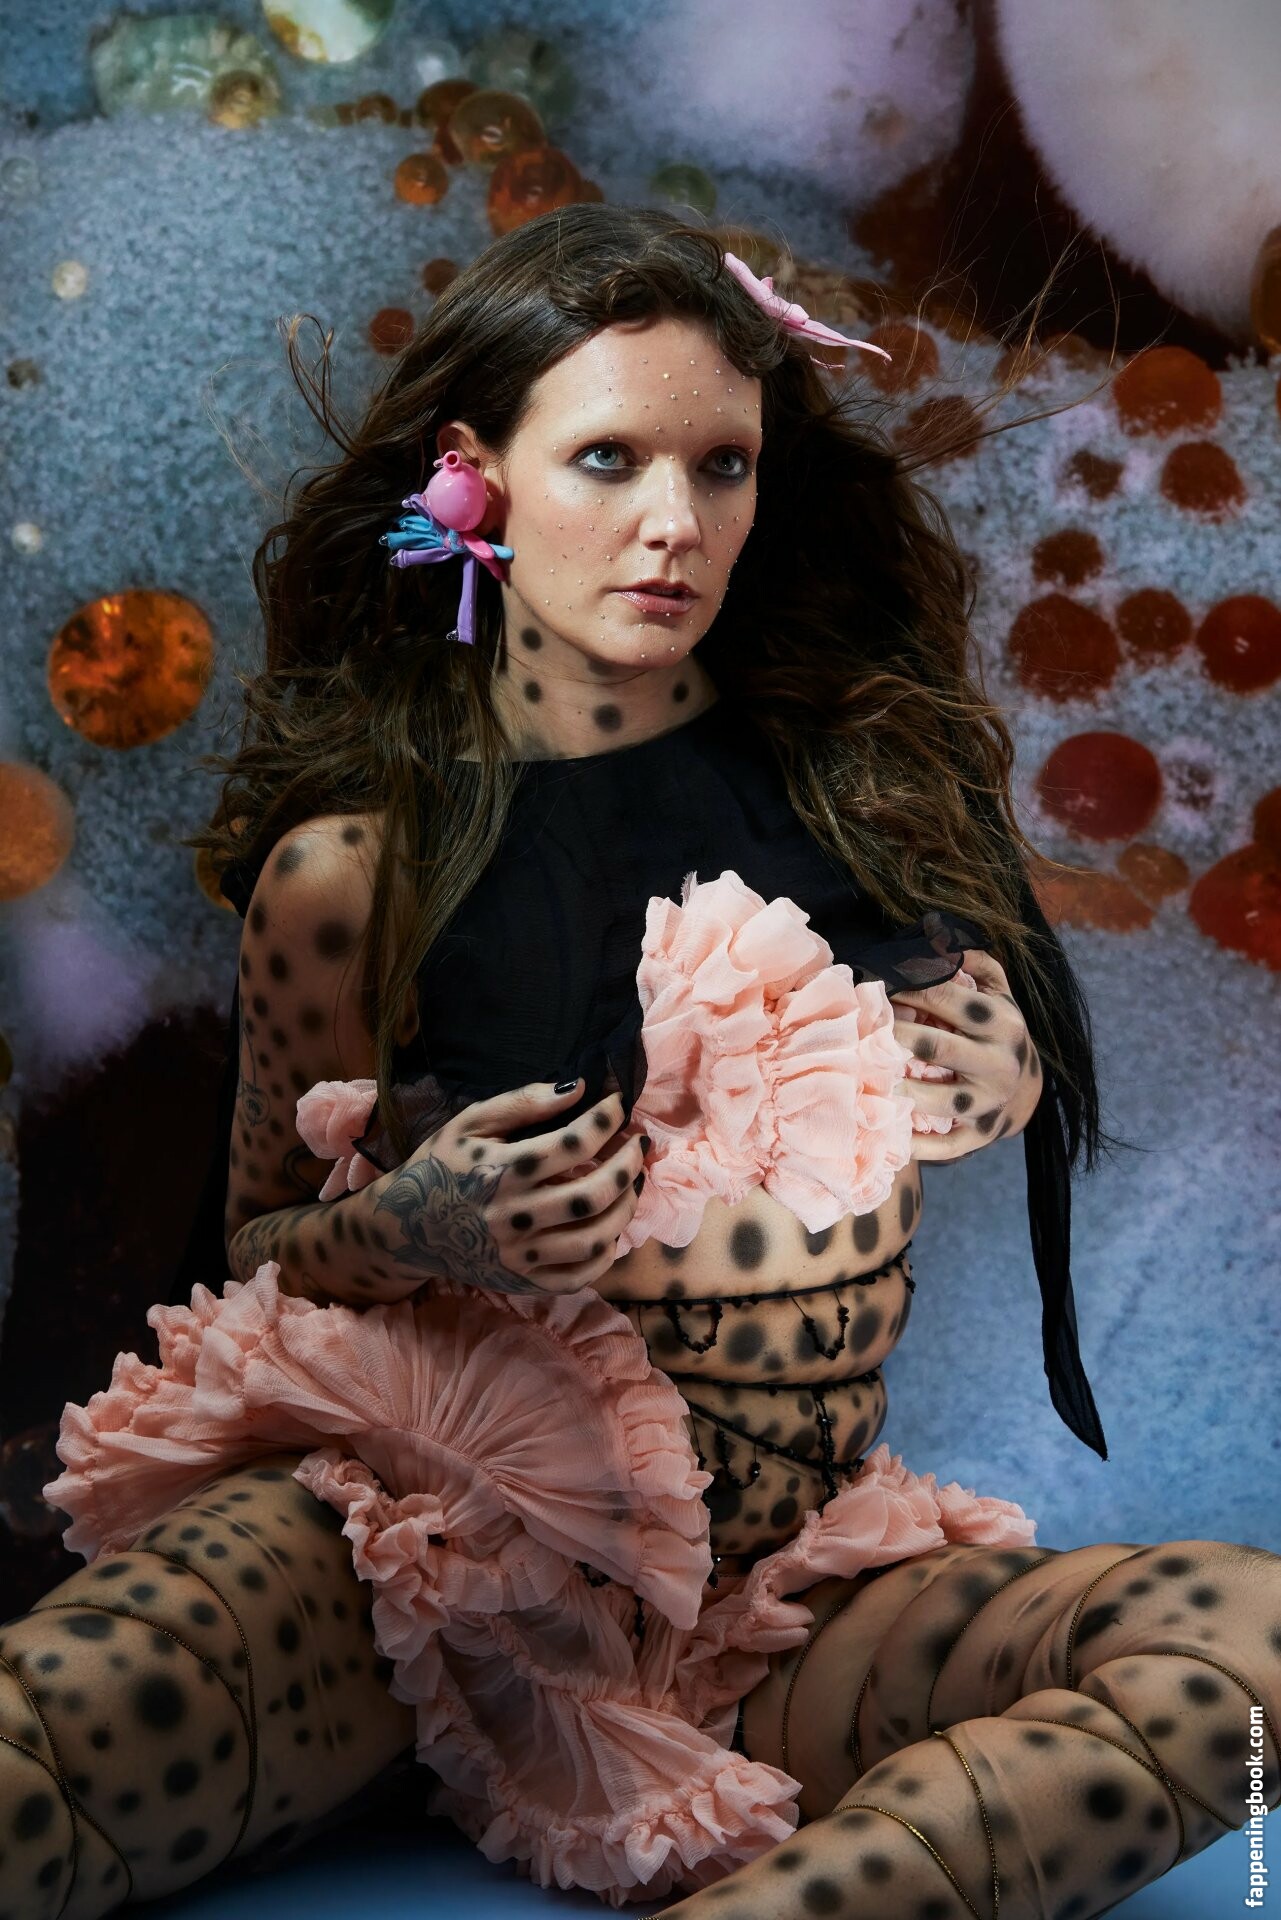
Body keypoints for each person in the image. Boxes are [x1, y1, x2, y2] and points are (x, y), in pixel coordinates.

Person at [1, 205, 1276, 1920]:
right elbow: (252, 1250)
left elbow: (967, 1022)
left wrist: (1004, 1065)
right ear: (476, 478)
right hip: (397, 1563)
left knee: (1250, 1658)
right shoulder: (357, 869)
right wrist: (416, 1222)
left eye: (720, 465)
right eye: (608, 458)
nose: (675, 522)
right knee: (49, 1742)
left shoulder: (854, 796)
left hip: (771, 1605)